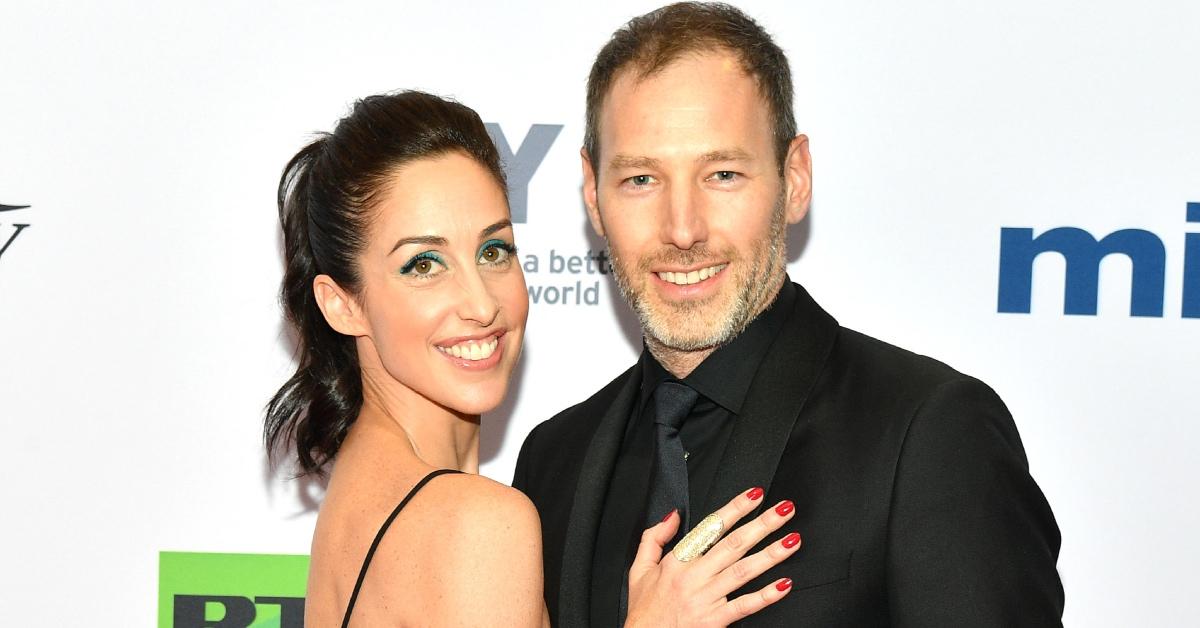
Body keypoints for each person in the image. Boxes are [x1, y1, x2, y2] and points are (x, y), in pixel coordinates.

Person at [512, 3, 1065, 626]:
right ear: (592, 193)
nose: (683, 228)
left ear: (794, 178)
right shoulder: (552, 461)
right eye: (641, 179)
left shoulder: (927, 433)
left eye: (722, 174)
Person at [266, 90, 802, 627]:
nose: (481, 304)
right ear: (343, 304)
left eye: (492, 251)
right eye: (424, 264)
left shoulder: (356, 500)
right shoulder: (477, 523)